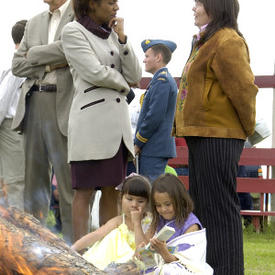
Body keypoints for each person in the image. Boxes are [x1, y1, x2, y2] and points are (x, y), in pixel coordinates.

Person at [173, 0, 258, 274]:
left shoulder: (227, 40)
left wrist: (246, 128)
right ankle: (209, 268)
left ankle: (228, 269)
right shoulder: (205, 40)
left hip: (219, 135)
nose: (194, 8)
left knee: (220, 208)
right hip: (202, 132)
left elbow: (244, 90)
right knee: (205, 207)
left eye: (199, 3)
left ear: (216, 7)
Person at [61, 0, 142, 242]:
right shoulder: (73, 31)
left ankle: (107, 250)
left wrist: (123, 40)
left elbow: (136, 75)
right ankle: (80, 252)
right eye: (110, 2)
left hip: (117, 128)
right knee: (84, 191)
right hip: (90, 124)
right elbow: (92, 72)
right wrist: (124, 85)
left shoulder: (113, 36)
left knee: (112, 191)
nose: (116, 7)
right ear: (92, 4)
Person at [11, 0, 75, 243]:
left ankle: (73, 248)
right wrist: (50, 63)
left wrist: (36, 56)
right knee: (33, 185)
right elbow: (17, 64)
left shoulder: (78, 14)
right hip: (32, 103)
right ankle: (34, 247)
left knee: (68, 185)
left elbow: (73, 51)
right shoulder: (35, 21)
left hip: (63, 104)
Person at [135, 173, 213, 274]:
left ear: (179, 200)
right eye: (158, 205)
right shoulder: (157, 219)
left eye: (168, 204)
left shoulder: (191, 225)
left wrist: (163, 252)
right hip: (157, 268)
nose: (163, 209)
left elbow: (188, 265)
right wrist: (142, 252)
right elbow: (145, 247)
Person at [71, 174, 151, 271]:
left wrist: (137, 223)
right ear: (121, 199)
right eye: (129, 199)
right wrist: (73, 248)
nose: (134, 204)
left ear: (147, 204)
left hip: (136, 262)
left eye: (140, 201)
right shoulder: (119, 221)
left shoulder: (150, 222)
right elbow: (96, 235)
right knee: (113, 234)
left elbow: (143, 250)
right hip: (113, 260)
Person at [134, 40, 178, 182]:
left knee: (150, 190)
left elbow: (154, 117)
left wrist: (138, 142)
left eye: (147, 56)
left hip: (153, 147)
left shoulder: (162, 81)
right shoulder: (160, 80)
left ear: (158, 57)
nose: (144, 60)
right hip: (154, 146)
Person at [0, 20, 27, 209]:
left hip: (22, 128)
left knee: (19, 182)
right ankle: (19, 232)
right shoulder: (16, 69)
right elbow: (2, 104)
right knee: (16, 182)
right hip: (12, 128)